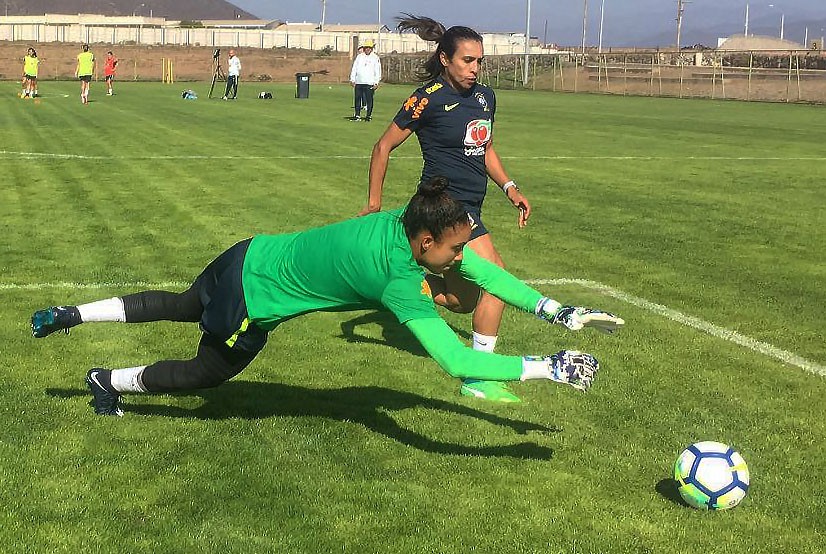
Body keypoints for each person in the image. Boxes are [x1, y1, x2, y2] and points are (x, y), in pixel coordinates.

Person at [31, 177, 623, 417]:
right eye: (453, 250)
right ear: (425, 241)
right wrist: (548, 366)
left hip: (245, 252)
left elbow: (485, 274)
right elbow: (459, 363)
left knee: (183, 302)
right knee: (206, 372)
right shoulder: (399, 282)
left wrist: (556, 311)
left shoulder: (406, 220)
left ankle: (72, 314)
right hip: (253, 301)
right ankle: (110, 380)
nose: (461, 259)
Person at [358, 15, 534, 403]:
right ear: (445, 59)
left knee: (463, 301)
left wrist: (510, 187)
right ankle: (477, 374)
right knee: (496, 281)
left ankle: (406, 286)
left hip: (473, 205)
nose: (474, 69)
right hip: (445, 207)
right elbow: (382, 146)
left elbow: (485, 148)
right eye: (467, 61)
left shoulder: (486, 97)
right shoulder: (428, 98)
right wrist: (374, 203)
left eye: (479, 61)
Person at [349, 39, 382, 121]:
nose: (367, 49)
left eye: (369, 47)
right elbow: (354, 68)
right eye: (366, 47)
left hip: (369, 82)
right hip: (359, 82)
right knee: (357, 99)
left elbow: (377, 70)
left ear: (371, 48)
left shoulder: (375, 58)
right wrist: (352, 79)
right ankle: (357, 115)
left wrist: (376, 82)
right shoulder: (359, 57)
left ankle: (368, 116)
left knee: (369, 100)